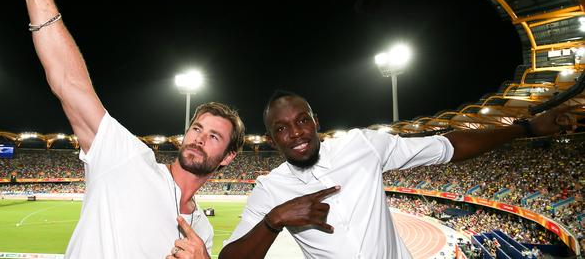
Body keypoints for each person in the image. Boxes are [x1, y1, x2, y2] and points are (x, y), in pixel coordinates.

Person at [0, 0, 245, 259]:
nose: (199, 139)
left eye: (214, 136)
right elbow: (68, 82)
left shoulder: (201, 232)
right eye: (198, 128)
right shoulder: (127, 159)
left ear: (228, 158)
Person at [219, 90, 574, 259]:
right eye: (282, 129)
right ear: (271, 139)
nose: (296, 133)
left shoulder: (362, 146)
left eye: (302, 121)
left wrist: (525, 127)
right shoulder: (270, 188)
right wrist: (274, 220)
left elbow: (448, 146)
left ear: (315, 122)